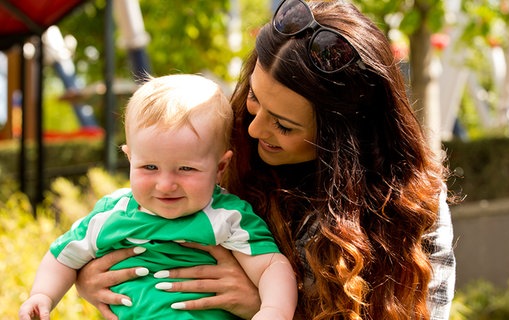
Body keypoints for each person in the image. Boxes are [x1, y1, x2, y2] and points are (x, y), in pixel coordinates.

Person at [74, 0, 457, 319]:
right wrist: (90, 277)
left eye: (284, 125)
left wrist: (263, 305)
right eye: (255, 98)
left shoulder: (412, 210)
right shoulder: (220, 151)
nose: (254, 129)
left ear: (342, 141)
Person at [18, 74, 297, 320]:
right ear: (129, 158)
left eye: (186, 169)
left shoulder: (226, 216)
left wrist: (273, 310)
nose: (165, 185)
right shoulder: (112, 213)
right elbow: (61, 256)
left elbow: (271, 266)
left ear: (220, 168)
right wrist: (43, 295)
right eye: (149, 167)